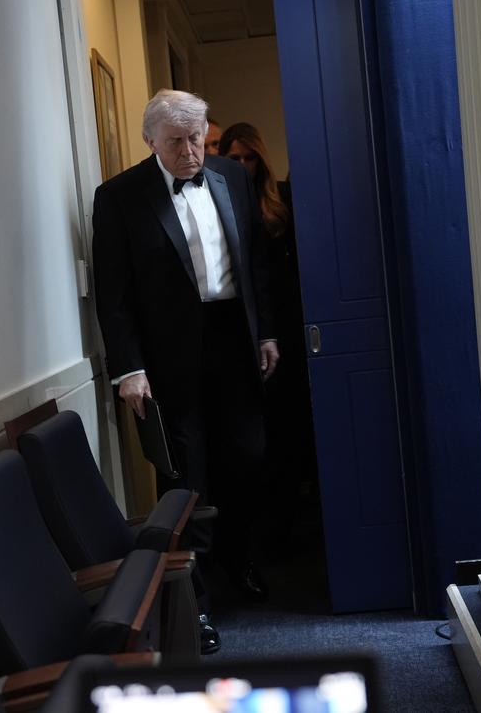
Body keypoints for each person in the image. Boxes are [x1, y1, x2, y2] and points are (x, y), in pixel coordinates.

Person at [91, 91, 279, 644]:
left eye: (197, 137)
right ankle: (192, 602)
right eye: (176, 141)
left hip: (233, 340)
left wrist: (266, 331)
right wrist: (129, 369)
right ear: (150, 140)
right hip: (169, 357)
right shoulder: (119, 196)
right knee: (185, 479)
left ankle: (239, 558)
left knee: (248, 456)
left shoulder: (230, 177)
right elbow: (114, 295)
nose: (191, 150)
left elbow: (255, 266)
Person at [218, 123, 316, 546]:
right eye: (234, 158)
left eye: (249, 156)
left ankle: (295, 520)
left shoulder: (282, 200)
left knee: (294, 424)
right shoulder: (219, 201)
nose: (242, 165)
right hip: (244, 329)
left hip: (289, 323)